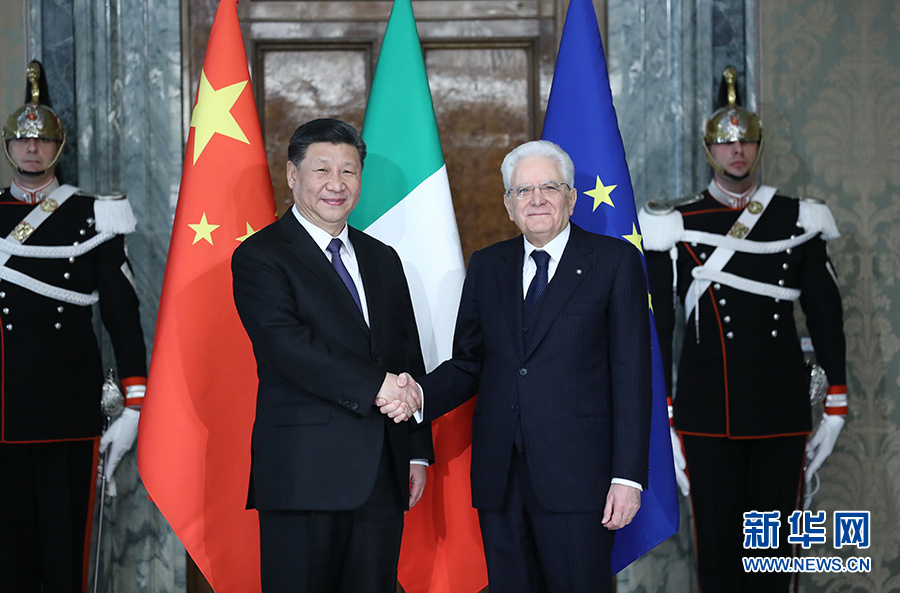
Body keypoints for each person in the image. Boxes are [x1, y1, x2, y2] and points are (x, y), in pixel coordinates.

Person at [381, 139, 652, 593]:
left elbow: (632, 378)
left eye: (549, 187)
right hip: (501, 478)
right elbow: (470, 363)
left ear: (571, 197)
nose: (536, 199)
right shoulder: (488, 265)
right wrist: (418, 395)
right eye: (523, 190)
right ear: (508, 205)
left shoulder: (613, 261)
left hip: (580, 479)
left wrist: (628, 477)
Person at [638, 66, 847, 592]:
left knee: (774, 557)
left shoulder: (798, 218)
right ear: (709, 148)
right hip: (708, 412)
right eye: (727, 143)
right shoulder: (677, 222)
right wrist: (663, 414)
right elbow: (659, 325)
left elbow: (826, 316)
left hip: (780, 409)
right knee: (719, 554)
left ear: (759, 146)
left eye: (747, 141)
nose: (738, 151)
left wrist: (837, 403)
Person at [231, 117, 433, 593]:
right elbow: (287, 347)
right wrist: (378, 386)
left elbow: (406, 353)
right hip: (304, 473)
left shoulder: (382, 257)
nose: (336, 184)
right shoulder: (261, 256)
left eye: (349, 171)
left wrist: (417, 451)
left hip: (383, 472)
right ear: (292, 175)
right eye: (322, 170)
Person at [0, 61, 148, 592]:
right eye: (23, 141)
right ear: (9, 146)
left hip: (66, 407)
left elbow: (122, 316)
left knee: (64, 553)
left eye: (42, 141)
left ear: (57, 147)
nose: (32, 149)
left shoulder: (94, 214)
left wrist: (134, 403)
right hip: (2, 408)